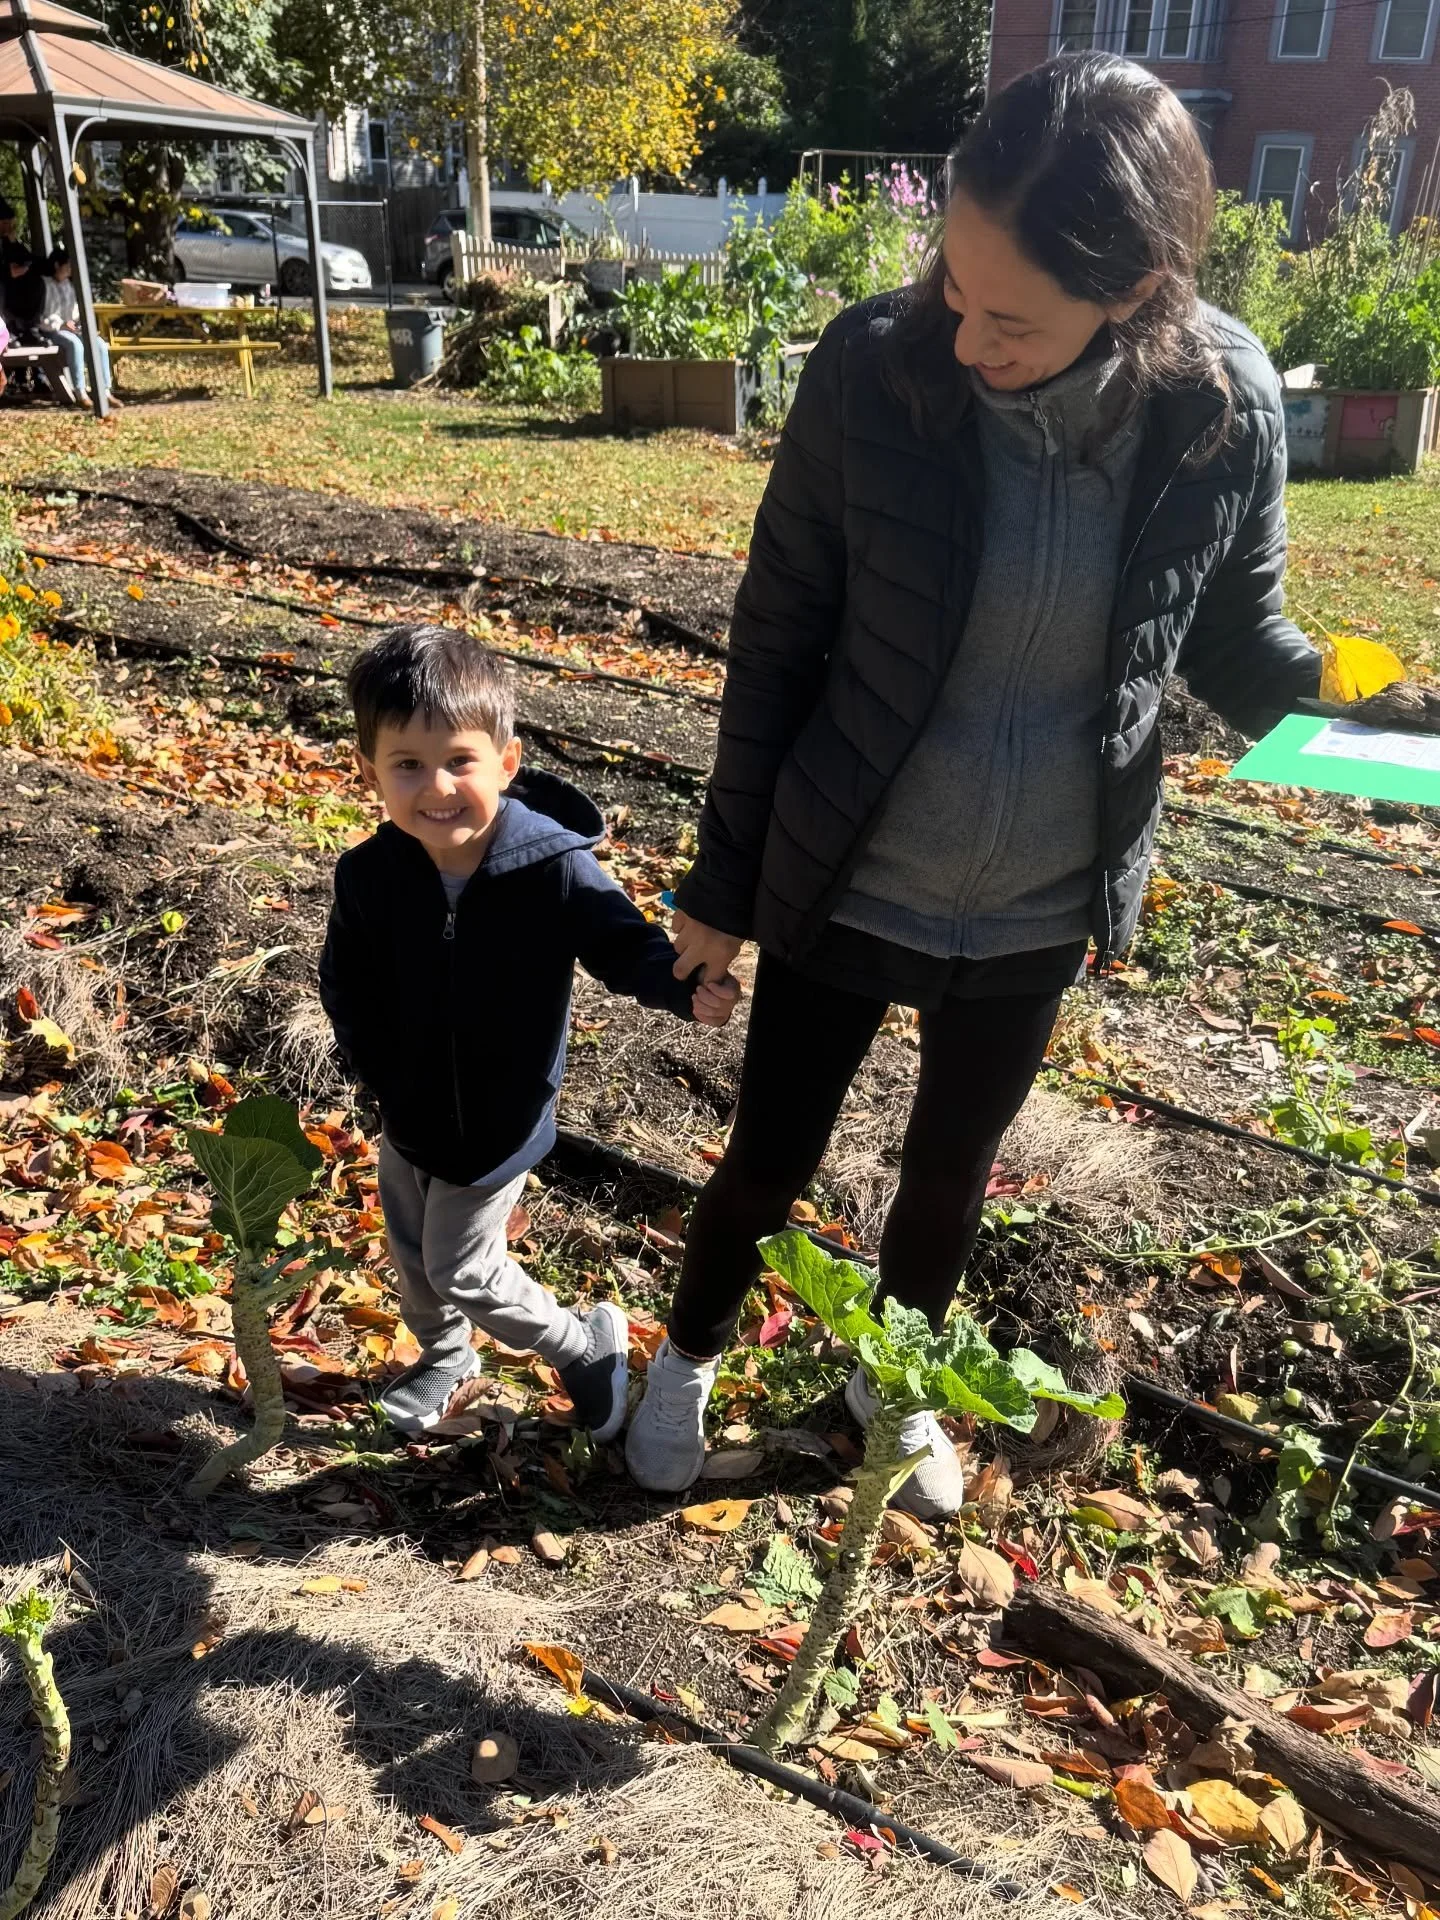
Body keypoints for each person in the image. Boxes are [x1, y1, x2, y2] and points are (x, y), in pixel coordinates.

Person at [625, 52, 1322, 1515]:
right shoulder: (871, 369)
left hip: (1034, 900)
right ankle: (680, 1366)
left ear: (1134, 293)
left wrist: (1408, 721)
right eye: (953, 284)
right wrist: (720, 889)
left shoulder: (1221, 408)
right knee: (767, 1159)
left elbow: (1252, 650)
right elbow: (777, 640)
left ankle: (892, 1396)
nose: (962, 336)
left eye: (1010, 317)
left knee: (948, 1181)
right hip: (851, 862)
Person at [319, 625, 739, 1442]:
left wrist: (683, 985)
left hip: (498, 1120)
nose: (436, 787)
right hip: (409, 1111)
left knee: (463, 1267)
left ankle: (582, 1343)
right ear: (370, 773)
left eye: (459, 762)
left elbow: (624, 945)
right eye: (407, 765)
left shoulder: (551, 868)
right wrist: (382, 1073)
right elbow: (348, 982)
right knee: (412, 1252)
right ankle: (445, 1356)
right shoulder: (370, 875)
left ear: (506, 764)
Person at [39, 247, 115, 407]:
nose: (71, 269)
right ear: (56, 265)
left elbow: (74, 312)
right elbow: (43, 315)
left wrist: (79, 323)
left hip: (71, 328)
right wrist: (61, 324)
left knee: (99, 344)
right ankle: (80, 392)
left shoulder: (68, 285)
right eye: (68, 265)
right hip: (51, 330)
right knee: (75, 344)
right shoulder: (44, 285)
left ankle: (105, 391)